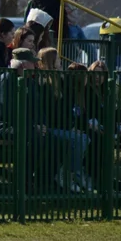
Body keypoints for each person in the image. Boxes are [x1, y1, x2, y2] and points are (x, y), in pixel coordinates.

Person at [34, 46, 90, 193]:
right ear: (51, 61)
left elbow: (67, 109)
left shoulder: (61, 81)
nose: (60, 62)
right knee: (79, 139)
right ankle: (68, 174)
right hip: (50, 128)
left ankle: (71, 172)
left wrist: (72, 125)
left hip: (62, 126)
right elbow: (52, 114)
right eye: (58, 59)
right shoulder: (44, 83)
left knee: (84, 138)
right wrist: (70, 127)